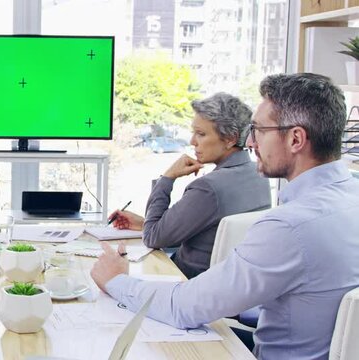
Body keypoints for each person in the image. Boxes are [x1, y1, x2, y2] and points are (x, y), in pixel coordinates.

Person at [91, 73, 359, 360]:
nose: (251, 142)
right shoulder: (350, 197)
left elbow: (183, 307)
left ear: (295, 138)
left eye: (258, 130)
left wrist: (116, 280)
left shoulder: (289, 226)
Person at [109, 92, 271, 278]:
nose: (192, 141)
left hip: (187, 283)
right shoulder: (259, 175)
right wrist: (146, 224)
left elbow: (152, 238)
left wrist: (167, 178)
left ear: (230, 139)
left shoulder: (208, 188)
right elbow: (212, 237)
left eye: (201, 134)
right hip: (228, 283)